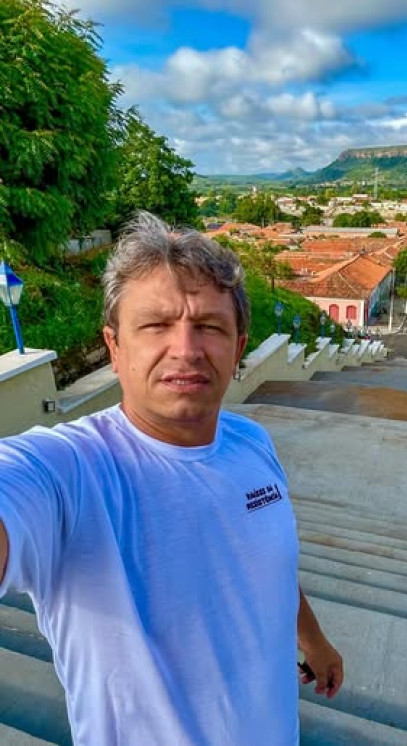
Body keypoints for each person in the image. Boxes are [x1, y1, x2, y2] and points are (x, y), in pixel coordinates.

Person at [0, 212, 343, 745]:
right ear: (115, 348)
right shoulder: (69, 470)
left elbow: (265, 561)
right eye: (156, 325)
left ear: (238, 348)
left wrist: (314, 641)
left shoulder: (252, 442)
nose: (185, 349)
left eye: (208, 326)